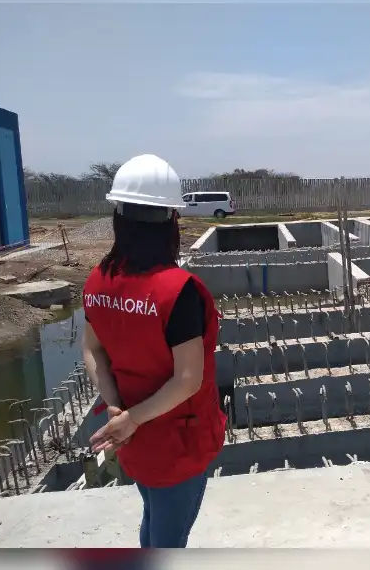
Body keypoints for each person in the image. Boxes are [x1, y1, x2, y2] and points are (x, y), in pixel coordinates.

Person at [82, 154, 226, 549]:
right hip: (177, 444)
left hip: (133, 442)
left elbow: (92, 352)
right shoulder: (176, 291)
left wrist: (115, 408)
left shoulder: (98, 280)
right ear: (171, 220)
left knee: (153, 519)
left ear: (119, 218)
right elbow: (188, 379)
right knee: (168, 539)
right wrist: (130, 420)